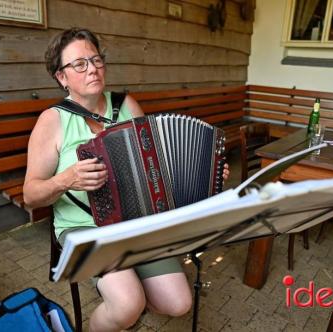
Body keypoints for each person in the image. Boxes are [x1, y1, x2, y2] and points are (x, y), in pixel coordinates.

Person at [23, 27, 229, 332]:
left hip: (136, 220)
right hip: (84, 227)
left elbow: (157, 166)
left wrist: (207, 172)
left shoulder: (126, 105)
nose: (92, 68)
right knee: (128, 304)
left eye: (96, 60)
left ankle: (126, 294)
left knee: (178, 304)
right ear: (61, 77)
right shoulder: (52, 121)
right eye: (79, 64)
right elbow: (30, 194)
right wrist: (65, 180)